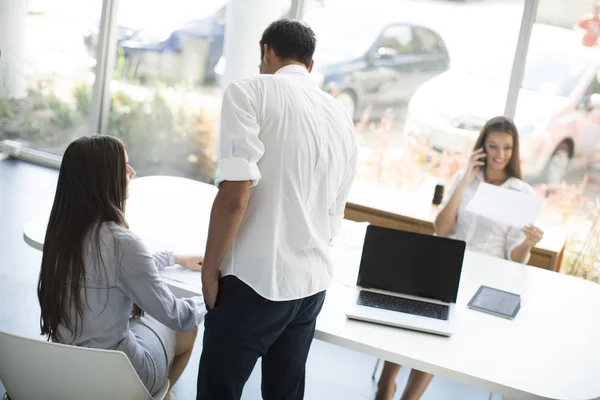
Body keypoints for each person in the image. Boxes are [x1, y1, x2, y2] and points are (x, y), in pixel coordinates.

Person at [196, 19, 358, 400]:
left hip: (255, 282)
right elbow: (335, 215)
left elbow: (235, 197)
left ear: (266, 52)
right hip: (310, 286)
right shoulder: (341, 117)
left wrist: (209, 267)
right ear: (310, 66)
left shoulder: (249, 92)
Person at [375, 116, 544, 400]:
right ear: (482, 148)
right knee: (413, 318)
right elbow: (441, 229)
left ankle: (409, 398)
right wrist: (466, 179)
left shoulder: (521, 193)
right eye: (493, 146)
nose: (500, 155)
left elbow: (515, 259)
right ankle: (385, 385)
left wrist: (528, 242)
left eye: (507, 148)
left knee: (440, 331)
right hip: (447, 262)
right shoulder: (464, 179)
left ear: (514, 151)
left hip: (487, 274)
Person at [37, 136, 206, 400]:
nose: (132, 173)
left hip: (68, 369)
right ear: (102, 178)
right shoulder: (122, 243)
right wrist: (209, 298)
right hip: (122, 374)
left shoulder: (59, 235)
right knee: (188, 329)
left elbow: (126, 266)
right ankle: (160, 394)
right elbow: (177, 316)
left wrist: (171, 257)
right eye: (124, 166)